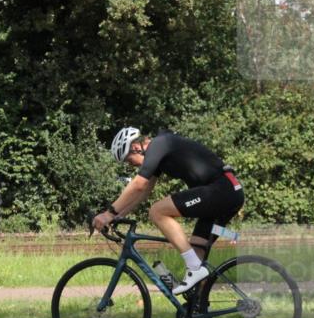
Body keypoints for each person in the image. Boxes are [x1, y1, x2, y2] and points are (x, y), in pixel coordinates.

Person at [92, 126, 244, 297]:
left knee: (157, 212)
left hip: (221, 190)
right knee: (196, 250)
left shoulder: (159, 144)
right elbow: (144, 191)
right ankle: (198, 310)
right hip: (227, 191)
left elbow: (138, 184)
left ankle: (195, 269)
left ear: (135, 148)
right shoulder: (159, 151)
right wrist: (119, 215)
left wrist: (109, 213)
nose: (130, 165)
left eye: (129, 160)